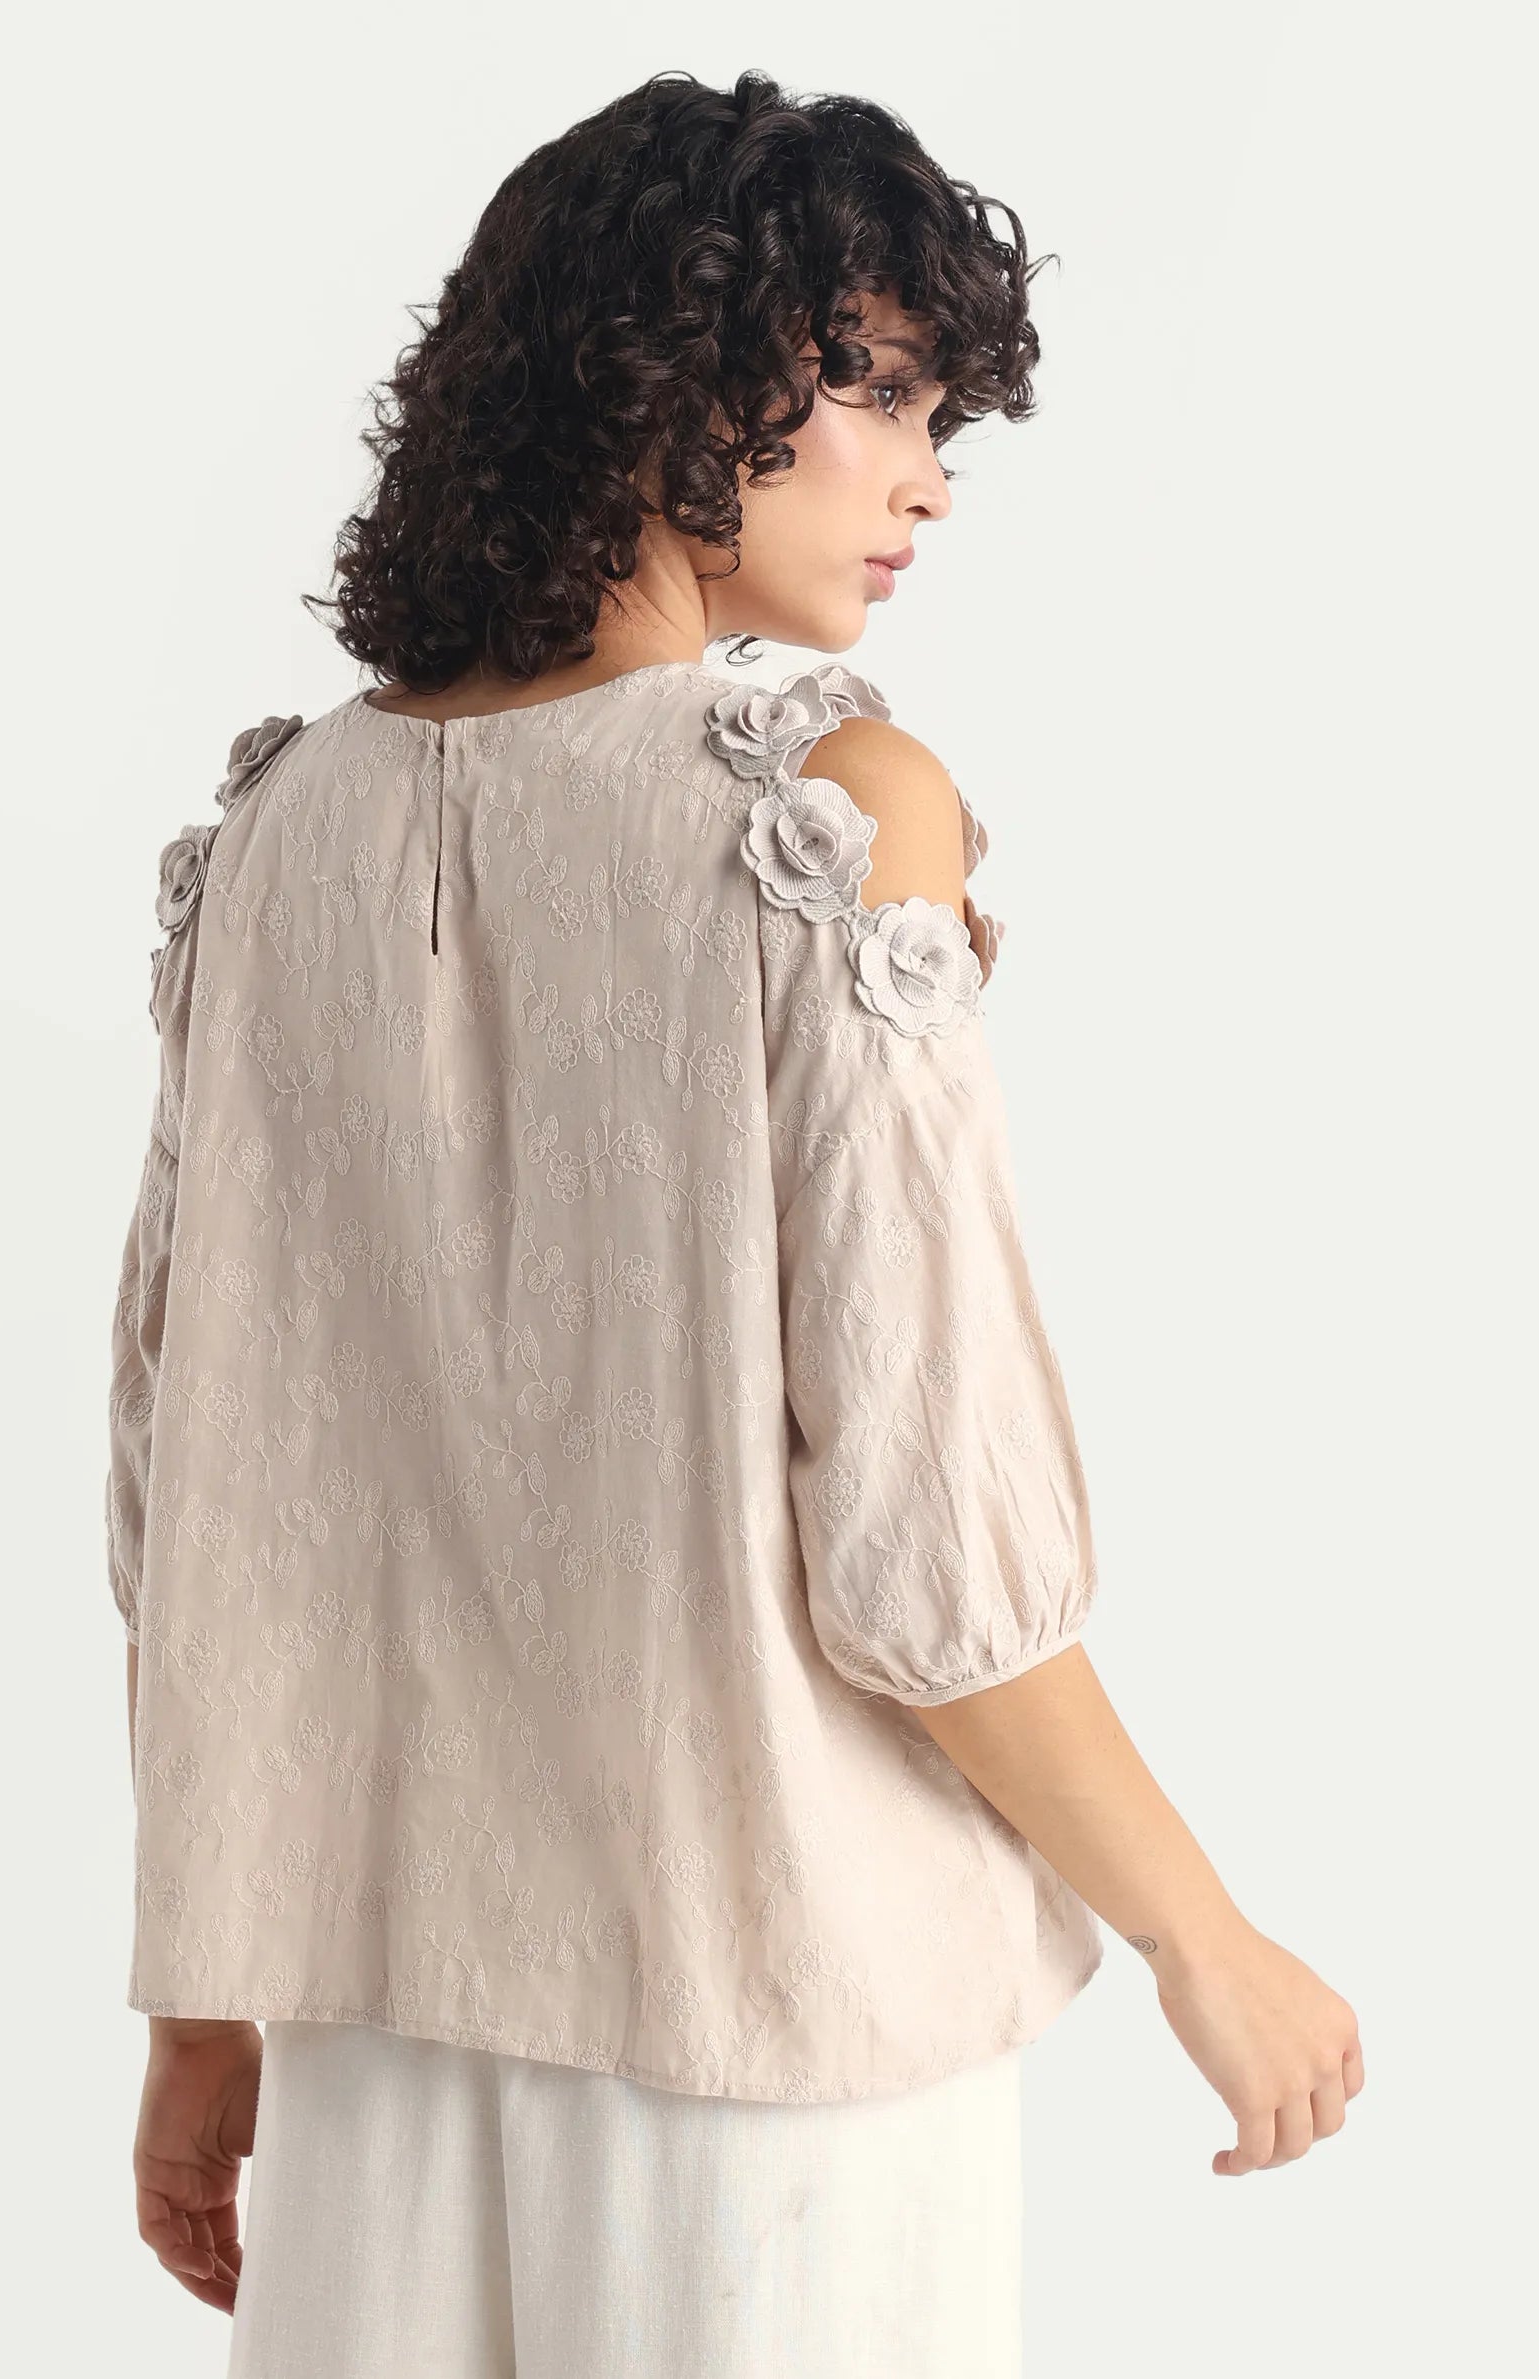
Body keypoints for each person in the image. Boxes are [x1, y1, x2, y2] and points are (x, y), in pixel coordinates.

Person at [105, 69, 1363, 2378]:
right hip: (771, 2036)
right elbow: (924, 1542)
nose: (926, 474)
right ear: (660, 372)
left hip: (374, 2026)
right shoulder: (828, 821)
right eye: (870, 385)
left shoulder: (271, 842)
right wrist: (1206, 1934)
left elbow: (202, 1508)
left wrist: (206, 2009)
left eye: (936, 409)